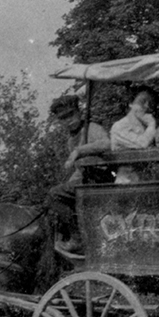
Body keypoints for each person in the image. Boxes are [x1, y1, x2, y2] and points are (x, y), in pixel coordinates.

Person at [47, 95, 110, 254]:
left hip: (101, 178)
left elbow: (107, 143)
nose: (69, 120)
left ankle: (78, 239)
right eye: (63, 118)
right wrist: (68, 183)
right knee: (55, 197)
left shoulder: (92, 128)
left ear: (79, 112)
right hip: (86, 179)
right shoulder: (71, 139)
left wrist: (79, 150)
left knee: (55, 195)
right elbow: (79, 170)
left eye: (71, 115)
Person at [109, 86, 159, 184]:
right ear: (130, 104)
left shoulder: (147, 128)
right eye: (142, 101)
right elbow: (142, 144)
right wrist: (152, 124)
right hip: (127, 182)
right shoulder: (120, 126)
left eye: (151, 103)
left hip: (147, 181)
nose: (147, 106)